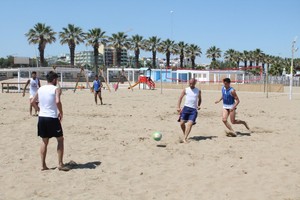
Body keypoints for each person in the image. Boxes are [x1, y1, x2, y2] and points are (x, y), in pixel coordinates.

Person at [31, 71, 69, 171]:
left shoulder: (40, 88)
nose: (57, 81)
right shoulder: (56, 89)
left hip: (42, 117)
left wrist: (39, 110)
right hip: (52, 117)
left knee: (44, 141)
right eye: (56, 79)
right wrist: (61, 112)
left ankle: (43, 165)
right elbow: (57, 101)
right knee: (60, 139)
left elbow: (32, 101)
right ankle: (60, 164)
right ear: (54, 79)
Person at [177, 78, 202, 143]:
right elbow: (180, 98)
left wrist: (198, 105)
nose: (191, 85)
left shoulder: (198, 91)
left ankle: (185, 138)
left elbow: (200, 99)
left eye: (192, 83)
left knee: (190, 124)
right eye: (190, 83)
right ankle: (185, 134)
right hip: (185, 109)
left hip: (193, 110)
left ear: (195, 83)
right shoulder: (186, 90)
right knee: (181, 123)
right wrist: (178, 107)